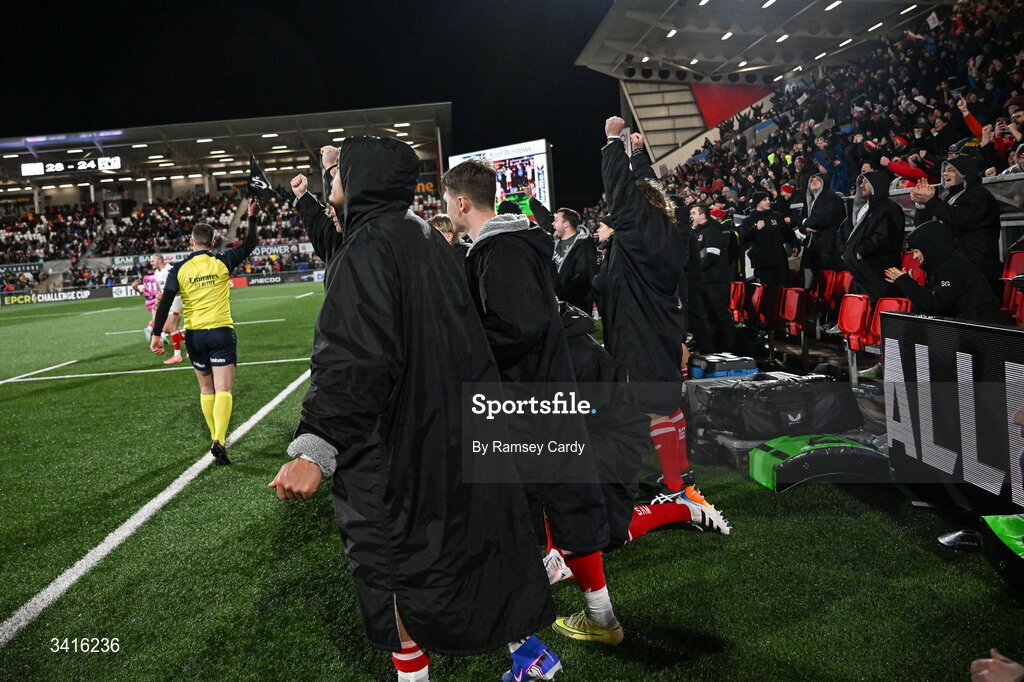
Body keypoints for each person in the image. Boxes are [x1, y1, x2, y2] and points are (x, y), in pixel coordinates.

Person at [271, 138, 559, 682]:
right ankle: (532, 656)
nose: (331, 179)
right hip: (449, 427)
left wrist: (315, 447)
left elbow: (354, 357)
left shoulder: (371, 247)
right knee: (471, 548)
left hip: (396, 444)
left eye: (338, 172)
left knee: (393, 567)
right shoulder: (425, 236)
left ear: (360, 179)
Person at [443, 156, 617, 653]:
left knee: (528, 512)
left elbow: (518, 326)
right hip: (535, 397)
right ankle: (594, 618)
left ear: (460, 202)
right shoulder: (506, 246)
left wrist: (466, 345)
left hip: (529, 403)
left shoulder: (504, 251)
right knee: (557, 506)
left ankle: (535, 644)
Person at [600, 119, 722, 515]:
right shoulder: (673, 228)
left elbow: (621, 193)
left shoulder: (634, 228)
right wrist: (638, 154)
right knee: (667, 404)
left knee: (652, 407)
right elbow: (643, 191)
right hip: (665, 323)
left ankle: (674, 487)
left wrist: (612, 142)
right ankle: (681, 473)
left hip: (639, 327)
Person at [149, 202, 260, 465]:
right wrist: (252, 218)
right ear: (213, 242)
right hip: (221, 331)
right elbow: (250, 244)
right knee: (224, 389)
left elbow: (164, 303)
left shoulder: (179, 269)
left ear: (191, 242)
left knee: (206, 388)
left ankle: (215, 437)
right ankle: (219, 440)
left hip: (195, 335)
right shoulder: (223, 260)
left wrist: (156, 334)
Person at [883, 220, 1008, 324]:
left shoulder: (953, 268)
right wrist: (911, 285)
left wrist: (907, 283)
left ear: (929, 247)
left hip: (982, 331)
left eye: (916, 250)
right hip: (968, 327)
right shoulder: (940, 267)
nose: (914, 257)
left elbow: (936, 307)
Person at [910, 155, 1003, 289]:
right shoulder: (948, 197)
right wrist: (921, 204)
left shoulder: (980, 195)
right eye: (944, 170)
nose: (945, 173)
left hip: (976, 267)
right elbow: (923, 227)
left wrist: (931, 201)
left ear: (965, 172)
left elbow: (961, 220)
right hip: (953, 265)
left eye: (951, 170)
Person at [839, 171, 904, 302]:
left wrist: (859, 252)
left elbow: (884, 237)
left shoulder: (890, 208)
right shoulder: (864, 208)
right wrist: (846, 251)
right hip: (860, 272)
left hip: (878, 272)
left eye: (865, 182)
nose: (861, 185)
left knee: (879, 307)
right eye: (861, 182)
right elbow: (843, 232)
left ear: (877, 184)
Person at [529, 197, 598, 313]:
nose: (553, 223)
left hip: (574, 307)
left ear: (566, 224)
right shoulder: (554, 238)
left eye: (556, 220)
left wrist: (561, 297)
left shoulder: (583, 247)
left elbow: (582, 281)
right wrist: (532, 199)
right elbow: (545, 219)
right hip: (555, 300)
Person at [691, 204, 736, 353]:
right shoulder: (699, 232)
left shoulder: (712, 231)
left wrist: (694, 269)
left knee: (720, 315)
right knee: (709, 316)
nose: (691, 216)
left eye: (693, 213)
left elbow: (711, 255)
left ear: (702, 215)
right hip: (705, 281)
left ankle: (730, 348)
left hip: (715, 282)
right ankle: (714, 348)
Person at [739, 191, 800, 287]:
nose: (768, 202)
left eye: (768, 199)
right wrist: (755, 229)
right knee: (768, 296)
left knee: (784, 291)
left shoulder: (777, 216)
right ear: (757, 203)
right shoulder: (748, 221)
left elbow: (788, 233)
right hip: (762, 265)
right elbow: (743, 239)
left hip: (780, 262)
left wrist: (795, 244)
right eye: (764, 200)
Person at [799, 172, 846, 281]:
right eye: (811, 180)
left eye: (817, 179)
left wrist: (806, 222)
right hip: (813, 247)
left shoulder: (830, 197)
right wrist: (805, 227)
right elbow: (800, 221)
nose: (813, 181)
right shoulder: (809, 202)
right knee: (809, 279)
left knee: (829, 280)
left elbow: (819, 220)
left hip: (829, 247)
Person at [150, 253, 186, 365]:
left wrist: (166, 295)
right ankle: (191, 345)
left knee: (171, 327)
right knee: (167, 329)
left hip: (177, 299)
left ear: (159, 260)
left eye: (152, 260)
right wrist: (159, 299)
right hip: (168, 302)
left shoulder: (170, 270)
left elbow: (180, 287)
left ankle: (177, 356)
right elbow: (162, 290)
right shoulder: (156, 274)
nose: (151, 263)